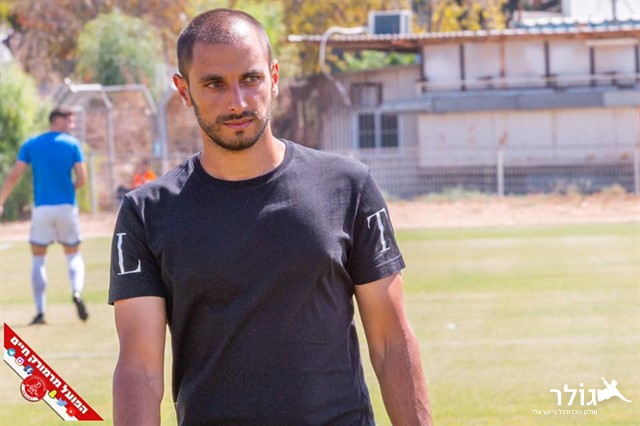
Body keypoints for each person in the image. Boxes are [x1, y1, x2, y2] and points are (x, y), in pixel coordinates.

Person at [109, 8, 432, 426]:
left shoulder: (348, 186)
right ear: (184, 90)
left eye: (250, 79)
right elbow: (139, 368)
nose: (237, 102)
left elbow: (391, 341)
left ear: (274, 78)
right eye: (214, 84)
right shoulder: (146, 212)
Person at [0, 106, 89, 325]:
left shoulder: (32, 144)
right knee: (73, 254)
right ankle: (77, 292)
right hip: (67, 207)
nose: (72, 125)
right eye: (69, 121)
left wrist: (1, 201)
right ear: (58, 120)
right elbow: (82, 178)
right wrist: (68, 189)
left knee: (38, 258)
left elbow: (15, 175)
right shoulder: (72, 144)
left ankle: (40, 312)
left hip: (42, 209)